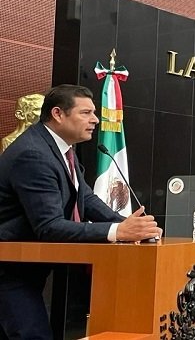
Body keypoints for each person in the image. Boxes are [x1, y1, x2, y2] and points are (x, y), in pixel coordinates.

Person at [0, 84, 162, 339]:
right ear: (58, 114)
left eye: (94, 113)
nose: (95, 120)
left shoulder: (60, 148)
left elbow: (84, 197)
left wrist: (131, 227)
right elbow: (49, 226)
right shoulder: (33, 154)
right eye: (86, 113)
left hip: (26, 266)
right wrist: (118, 231)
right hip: (8, 268)